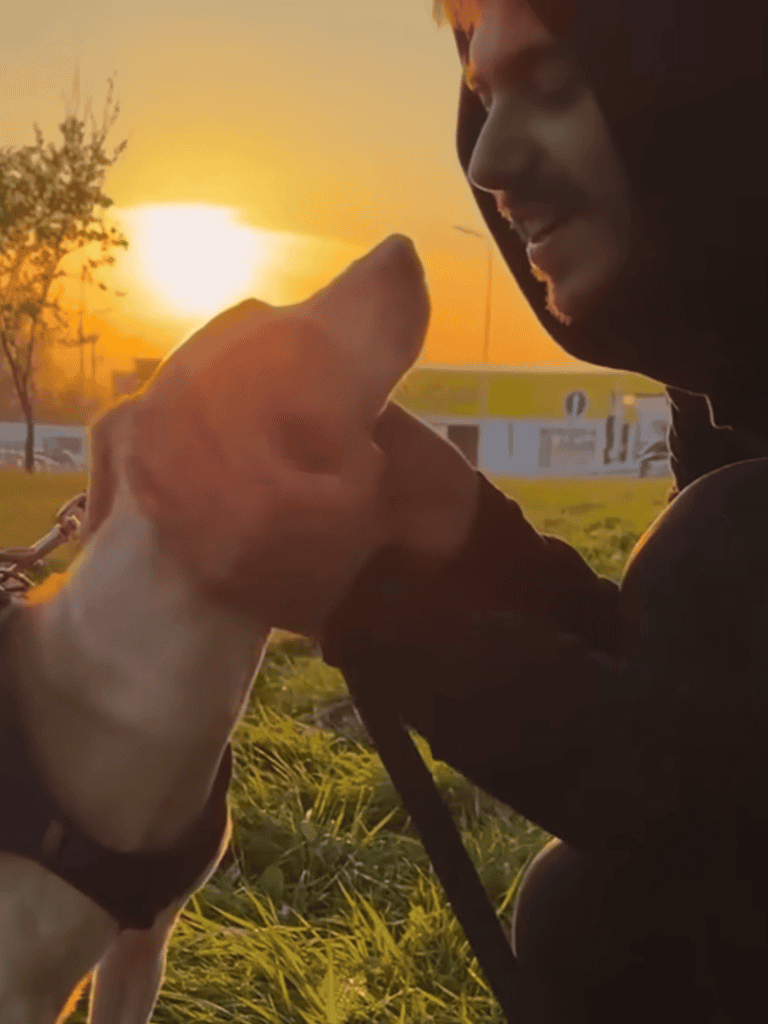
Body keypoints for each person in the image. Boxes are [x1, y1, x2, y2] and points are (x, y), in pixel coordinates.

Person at [8, 0, 764, 1019]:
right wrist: (471, 541)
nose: (486, 158)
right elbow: (714, 713)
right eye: (481, 93)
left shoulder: (732, 519)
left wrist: (369, 600)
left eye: (553, 84)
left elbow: (712, 802)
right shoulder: (722, 411)